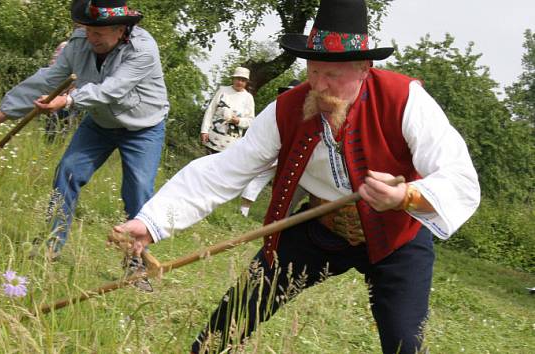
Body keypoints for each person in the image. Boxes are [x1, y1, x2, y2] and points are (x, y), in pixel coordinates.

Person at [114, 0, 480, 352]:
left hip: (396, 237)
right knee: (238, 310)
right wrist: (151, 222)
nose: (319, 85)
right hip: (322, 224)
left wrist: (406, 197)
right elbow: (224, 170)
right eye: (313, 70)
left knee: (405, 342)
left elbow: (459, 176)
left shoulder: (405, 100)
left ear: (364, 67)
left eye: (333, 74)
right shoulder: (287, 109)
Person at [0, 0, 169, 277]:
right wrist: (2, 114)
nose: (90, 37)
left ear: (122, 29)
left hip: (143, 128)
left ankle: (134, 265)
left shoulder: (144, 49)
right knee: (68, 172)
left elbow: (112, 90)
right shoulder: (79, 42)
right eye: (87, 30)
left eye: (98, 32)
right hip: (99, 123)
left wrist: (69, 100)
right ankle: (51, 243)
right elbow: (48, 79)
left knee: (138, 190)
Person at [200, 67, 274, 217]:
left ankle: (214, 200)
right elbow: (210, 110)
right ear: (233, 79)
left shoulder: (248, 98)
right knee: (207, 165)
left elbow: (251, 121)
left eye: (243, 80)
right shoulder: (223, 90)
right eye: (238, 79)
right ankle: (200, 193)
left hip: (231, 141)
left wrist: (238, 120)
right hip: (214, 136)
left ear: (246, 82)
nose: (240, 82)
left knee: (223, 170)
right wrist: (204, 130)